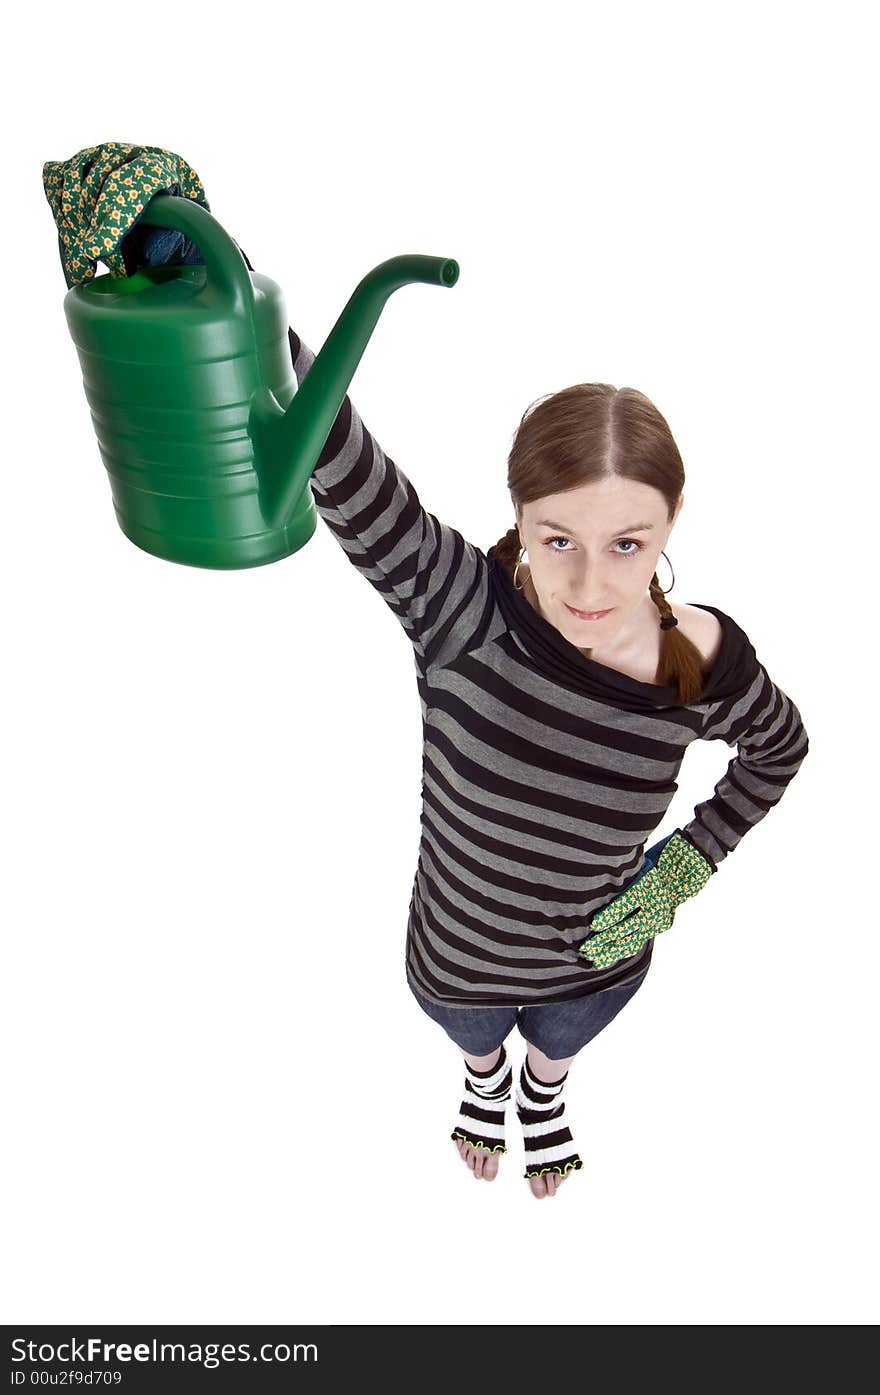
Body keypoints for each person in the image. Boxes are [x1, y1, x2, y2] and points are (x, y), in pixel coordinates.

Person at [244, 249, 809, 1200]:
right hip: (453, 964)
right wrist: (230, 295)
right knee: (480, 1044)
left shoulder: (701, 664)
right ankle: (482, 1078)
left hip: (597, 968)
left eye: (628, 545)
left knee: (553, 1048)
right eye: (559, 541)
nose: (591, 586)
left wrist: (666, 885)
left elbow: (779, 750)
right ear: (520, 518)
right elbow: (332, 446)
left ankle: (543, 1090)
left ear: (672, 523)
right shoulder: (456, 604)